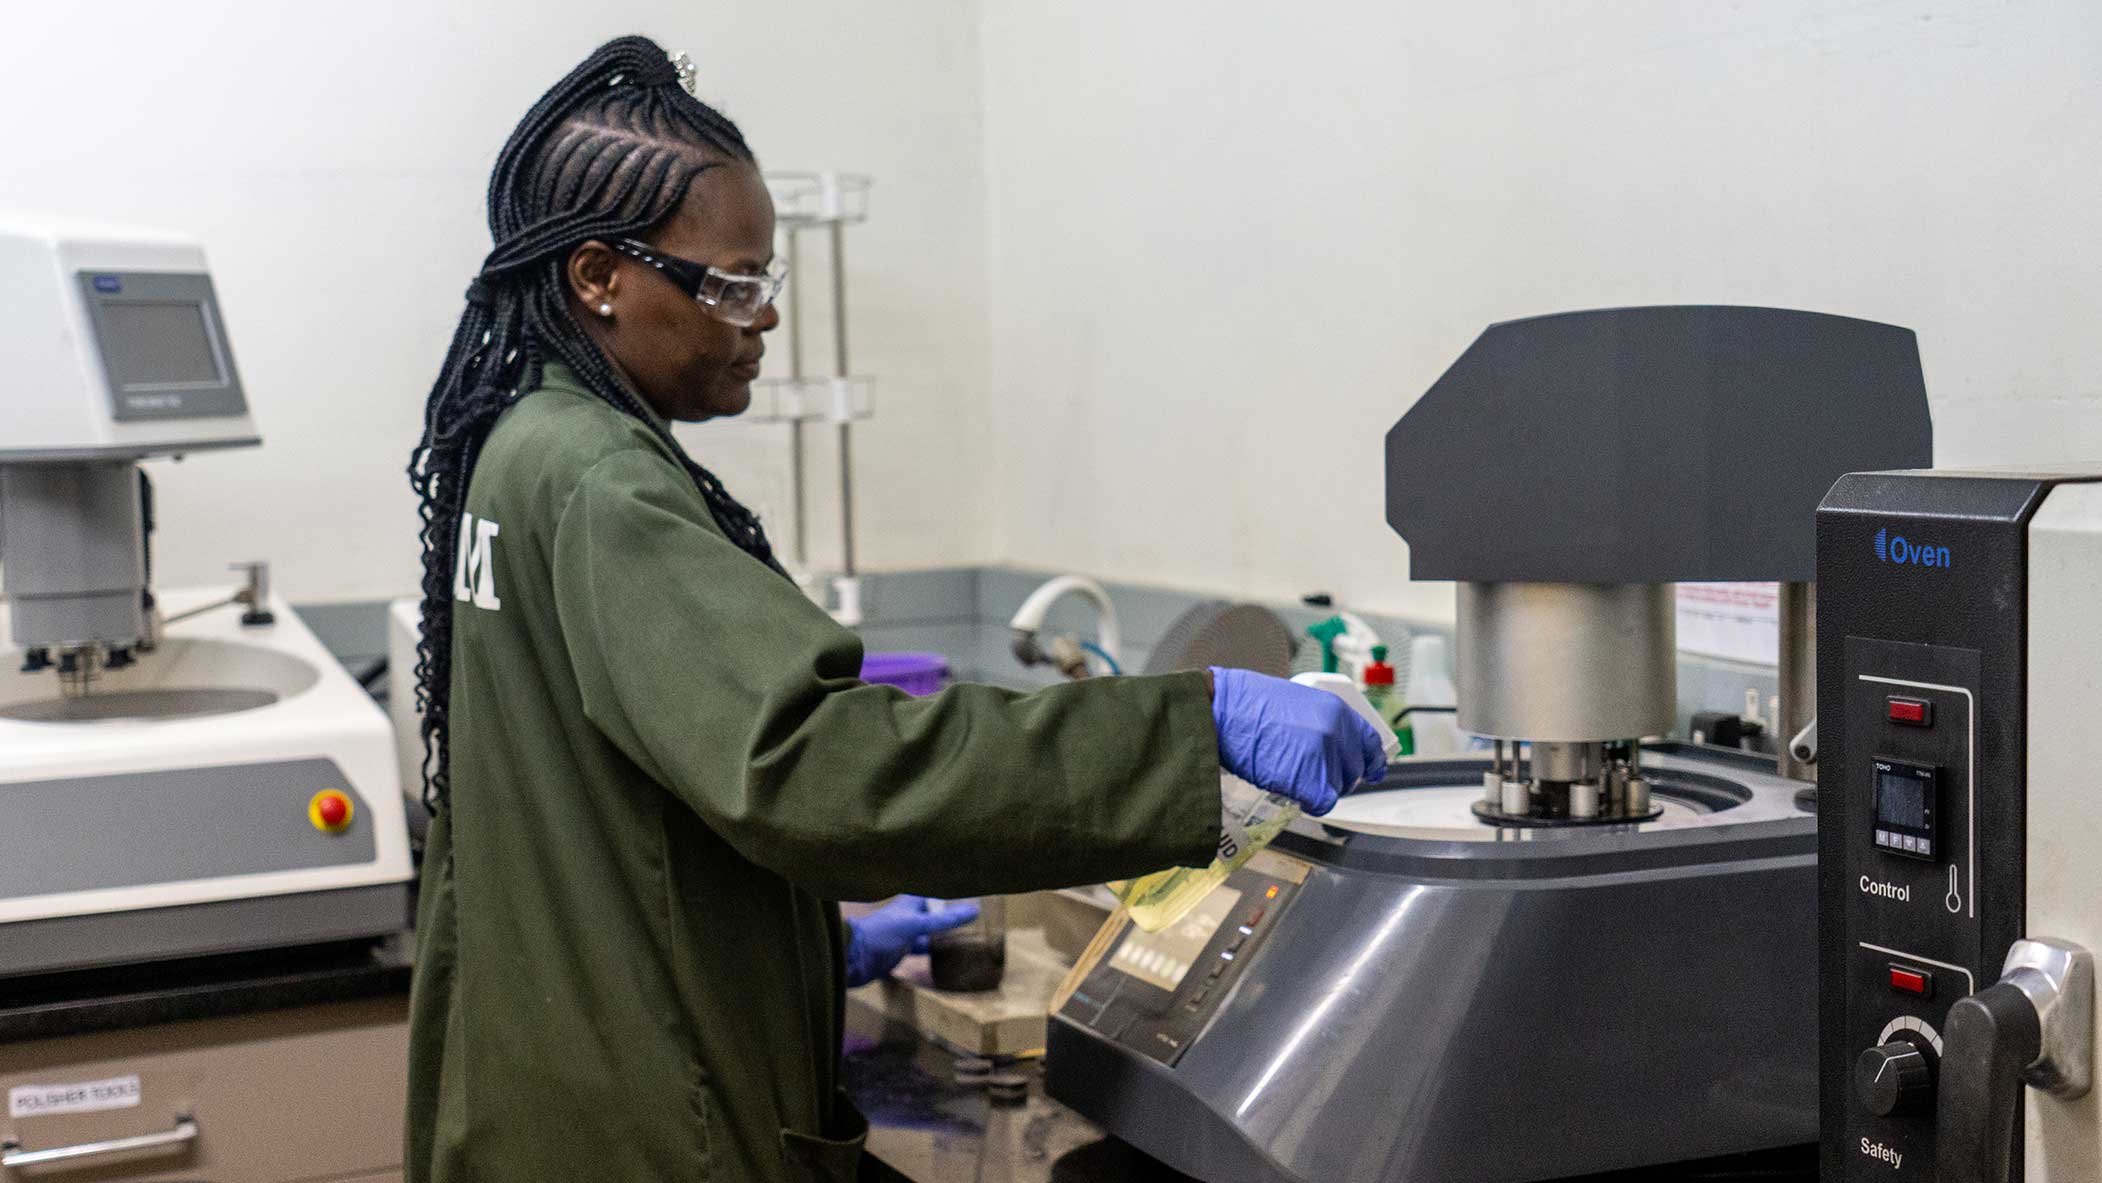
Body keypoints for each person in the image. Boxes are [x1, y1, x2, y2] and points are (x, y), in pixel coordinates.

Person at [402, 36, 1387, 1183]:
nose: (762, 318)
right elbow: (822, 767)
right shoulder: (602, 480)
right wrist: (1186, 729)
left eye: (764, 281)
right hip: (650, 1132)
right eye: (730, 285)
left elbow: (621, 826)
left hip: (553, 1097)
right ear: (596, 277)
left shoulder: (516, 445)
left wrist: (815, 950)